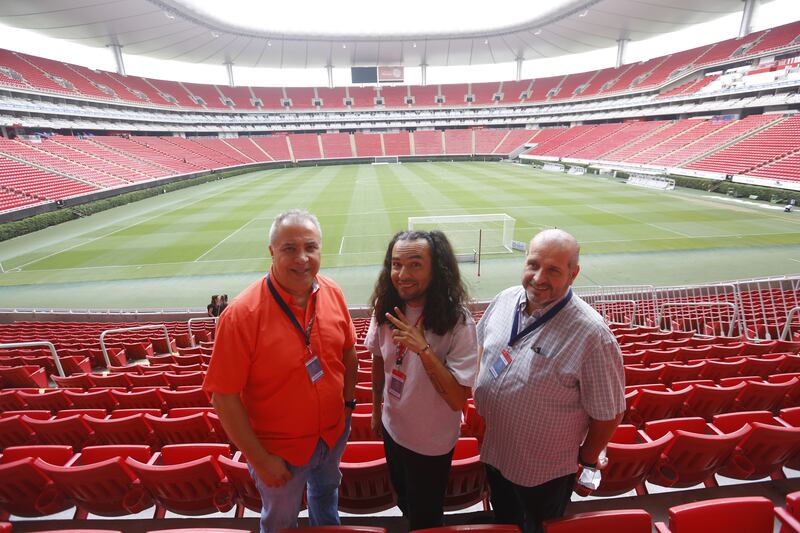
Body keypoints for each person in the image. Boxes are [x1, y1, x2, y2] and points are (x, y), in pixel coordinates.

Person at [202, 209, 358, 533]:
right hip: (279, 452)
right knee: (280, 521)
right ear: (272, 251)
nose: (302, 258)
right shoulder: (241, 315)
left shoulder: (334, 293)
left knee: (326, 496)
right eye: (289, 248)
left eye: (310, 247)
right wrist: (259, 459)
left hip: (332, 434)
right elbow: (223, 397)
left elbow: (349, 352)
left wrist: (347, 408)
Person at [473, 229, 625, 533]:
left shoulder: (592, 335)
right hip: (496, 451)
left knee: (539, 526)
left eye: (553, 270)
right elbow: (480, 345)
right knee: (506, 520)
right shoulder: (504, 299)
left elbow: (609, 413)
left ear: (573, 274)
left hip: (545, 470)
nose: (539, 277)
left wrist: (587, 457)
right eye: (533, 264)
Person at [366, 230, 478, 530]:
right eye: (396, 264)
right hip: (393, 429)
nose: (402, 274)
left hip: (431, 444)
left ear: (437, 269)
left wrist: (424, 350)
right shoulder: (385, 307)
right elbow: (378, 357)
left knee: (426, 517)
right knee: (404, 500)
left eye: (415, 264)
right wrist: (377, 409)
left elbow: (457, 400)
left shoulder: (459, 321)